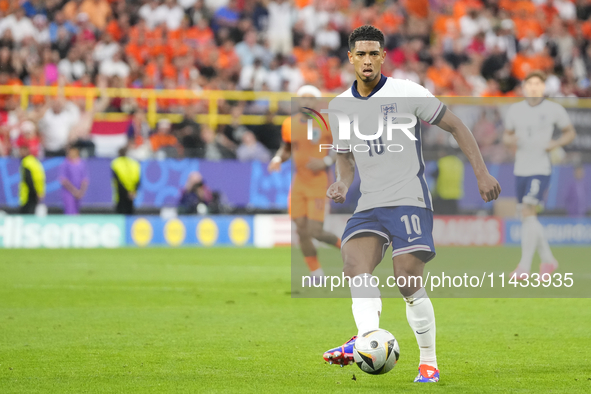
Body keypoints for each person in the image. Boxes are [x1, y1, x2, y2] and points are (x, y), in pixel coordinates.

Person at [321, 26, 501, 383]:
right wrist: (342, 182)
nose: (368, 60)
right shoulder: (339, 106)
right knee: (354, 265)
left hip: (409, 200)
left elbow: (457, 126)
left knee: (406, 279)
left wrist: (481, 174)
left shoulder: (408, 92)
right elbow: (344, 155)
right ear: (350, 58)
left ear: (383, 56)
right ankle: (367, 338)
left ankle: (428, 362)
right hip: (369, 203)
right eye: (361, 54)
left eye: (374, 53)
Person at [503, 71, 576, 279]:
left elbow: (569, 132)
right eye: (530, 83)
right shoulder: (515, 110)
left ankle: (524, 267)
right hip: (520, 168)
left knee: (527, 210)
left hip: (541, 168)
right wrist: (510, 141)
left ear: (543, 87)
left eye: (538, 84)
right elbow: (506, 136)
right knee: (527, 216)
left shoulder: (554, 109)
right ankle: (548, 260)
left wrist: (555, 143)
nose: (534, 87)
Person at [268, 85, 342, 284]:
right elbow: (287, 147)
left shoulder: (327, 122)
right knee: (301, 230)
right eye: (304, 98)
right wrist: (277, 158)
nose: (307, 102)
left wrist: (326, 162)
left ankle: (348, 250)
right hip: (299, 183)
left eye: (311, 99)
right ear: (299, 101)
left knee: (315, 232)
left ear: (317, 102)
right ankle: (316, 273)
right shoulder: (289, 124)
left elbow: (341, 147)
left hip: (318, 183)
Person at [432, 149, 464, 215]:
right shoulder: (458, 162)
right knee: (452, 216)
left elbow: (434, 175)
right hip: (455, 194)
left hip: (443, 194)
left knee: (441, 215)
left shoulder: (442, 162)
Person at [59, 144, 89, 214]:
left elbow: (84, 179)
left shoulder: (81, 163)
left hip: (79, 191)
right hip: (68, 192)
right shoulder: (65, 163)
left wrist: (81, 191)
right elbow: (63, 180)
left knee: (77, 210)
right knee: (69, 210)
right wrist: (74, 191)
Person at [111, 147, 141, 214]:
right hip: (132, 195)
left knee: (120, 215)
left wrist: (126, 193)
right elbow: (138, 179)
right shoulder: (134, 163)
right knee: (130, 214)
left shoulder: (115, 163)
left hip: (120, 195)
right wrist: (134, 191)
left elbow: (118, 182)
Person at [18, 141, 45, 214]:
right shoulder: (35, 161)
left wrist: (34, 192)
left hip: (28, 194)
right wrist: (40, 191)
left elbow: (28, 179)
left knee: (26, 214)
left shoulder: (26, 162)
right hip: (36, 192)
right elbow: (40, 177)